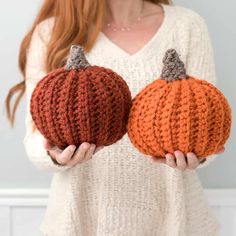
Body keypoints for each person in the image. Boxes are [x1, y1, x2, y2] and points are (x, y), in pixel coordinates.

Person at [5, 0, 225, 235]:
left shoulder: (187, 26)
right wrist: (56, 154)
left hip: (174, 219)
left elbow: (209, 123)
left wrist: (199, 156)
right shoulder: (53, 32)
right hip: (81, 220)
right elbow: (35, 140)